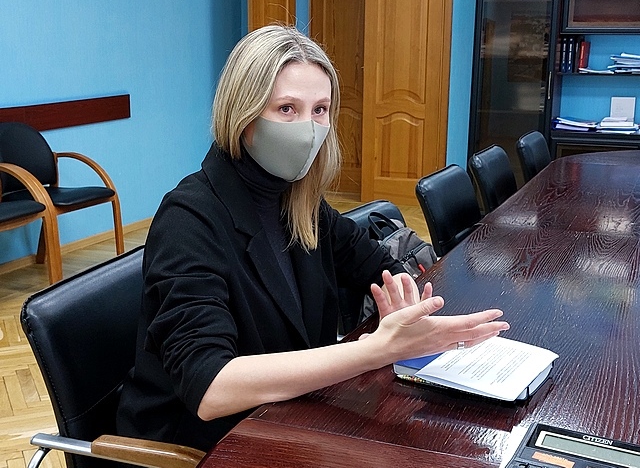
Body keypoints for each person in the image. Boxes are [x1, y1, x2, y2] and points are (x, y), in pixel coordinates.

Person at [116, 24, 509, 451]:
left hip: (287, 418)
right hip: (205, 444)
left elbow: (374, 261)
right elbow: (211, 388)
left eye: (320, 110)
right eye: (287, 108)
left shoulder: (298, 201)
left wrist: (403, 296)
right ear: (242, 114)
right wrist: (378, 349)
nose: (308, 129)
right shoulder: (189, 219)